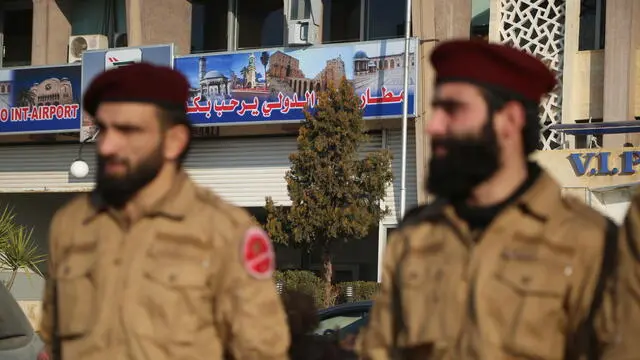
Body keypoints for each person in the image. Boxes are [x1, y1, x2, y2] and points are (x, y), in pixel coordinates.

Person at [355, 39, 624, 359]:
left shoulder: (590, 243)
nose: (434, 125)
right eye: (437, 108)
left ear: (509, 120)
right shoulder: (416, 236)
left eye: (453, 109)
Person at [38, 63, 290, 360]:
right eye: (103, 129)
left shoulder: (226, 231)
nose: (107, 146)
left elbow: (263, 353)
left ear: (174, 141)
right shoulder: (71, 224)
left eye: (127, 130)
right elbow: (53, 346)